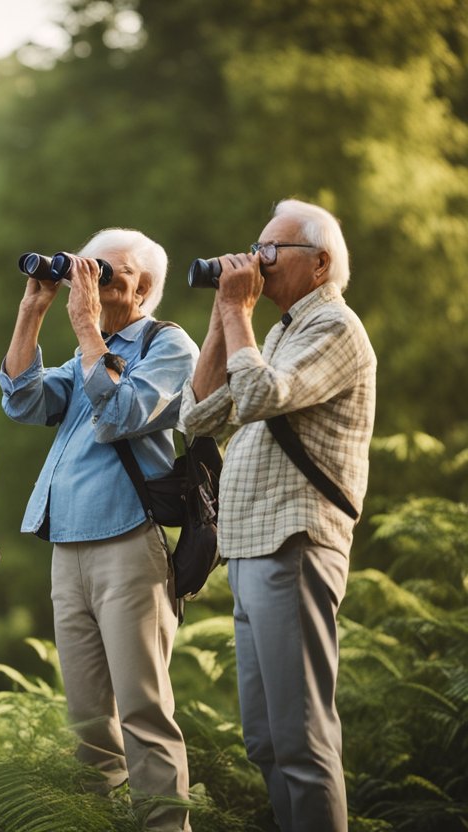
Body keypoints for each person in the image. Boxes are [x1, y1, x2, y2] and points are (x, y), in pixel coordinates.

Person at [179, 200, 376, 832]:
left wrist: (238, 310)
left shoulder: (336, 328)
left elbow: (261, 395)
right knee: (266, 740)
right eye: (255, 248)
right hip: (255, 546)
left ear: (320, 264)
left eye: (271, 251)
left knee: (302, 742)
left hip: (295, 543)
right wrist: (221, 317)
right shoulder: (281, 330)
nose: (256, 262)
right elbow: (199, 417)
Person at [0, 228, 196, 831]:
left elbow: (120, 413)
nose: (97, 276)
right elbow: (23, 400)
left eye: (114, 270)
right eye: (94, 267)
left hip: (129, 541)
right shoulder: (92, 347)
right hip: (69, 545)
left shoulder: (169, 346)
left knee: (142, 708)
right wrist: (33, 309)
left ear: (146, 288)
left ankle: (166, 826)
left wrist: (85, 327)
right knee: (87, 718)